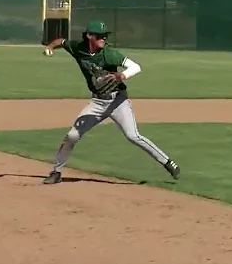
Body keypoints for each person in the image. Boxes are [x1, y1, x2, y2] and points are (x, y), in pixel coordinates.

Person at [41, 20, 181, 184]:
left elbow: (135, 67)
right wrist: (50, 46)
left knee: (133, 136)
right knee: (72, 135)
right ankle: (56, 172)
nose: (104, 39)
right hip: (97, 102)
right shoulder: (77, 48)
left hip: (117, 101)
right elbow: (61, 41)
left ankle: (167, 162)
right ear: (89, 36)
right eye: (100, 36)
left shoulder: (109, 54)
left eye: (105, 36)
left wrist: (121, 76)